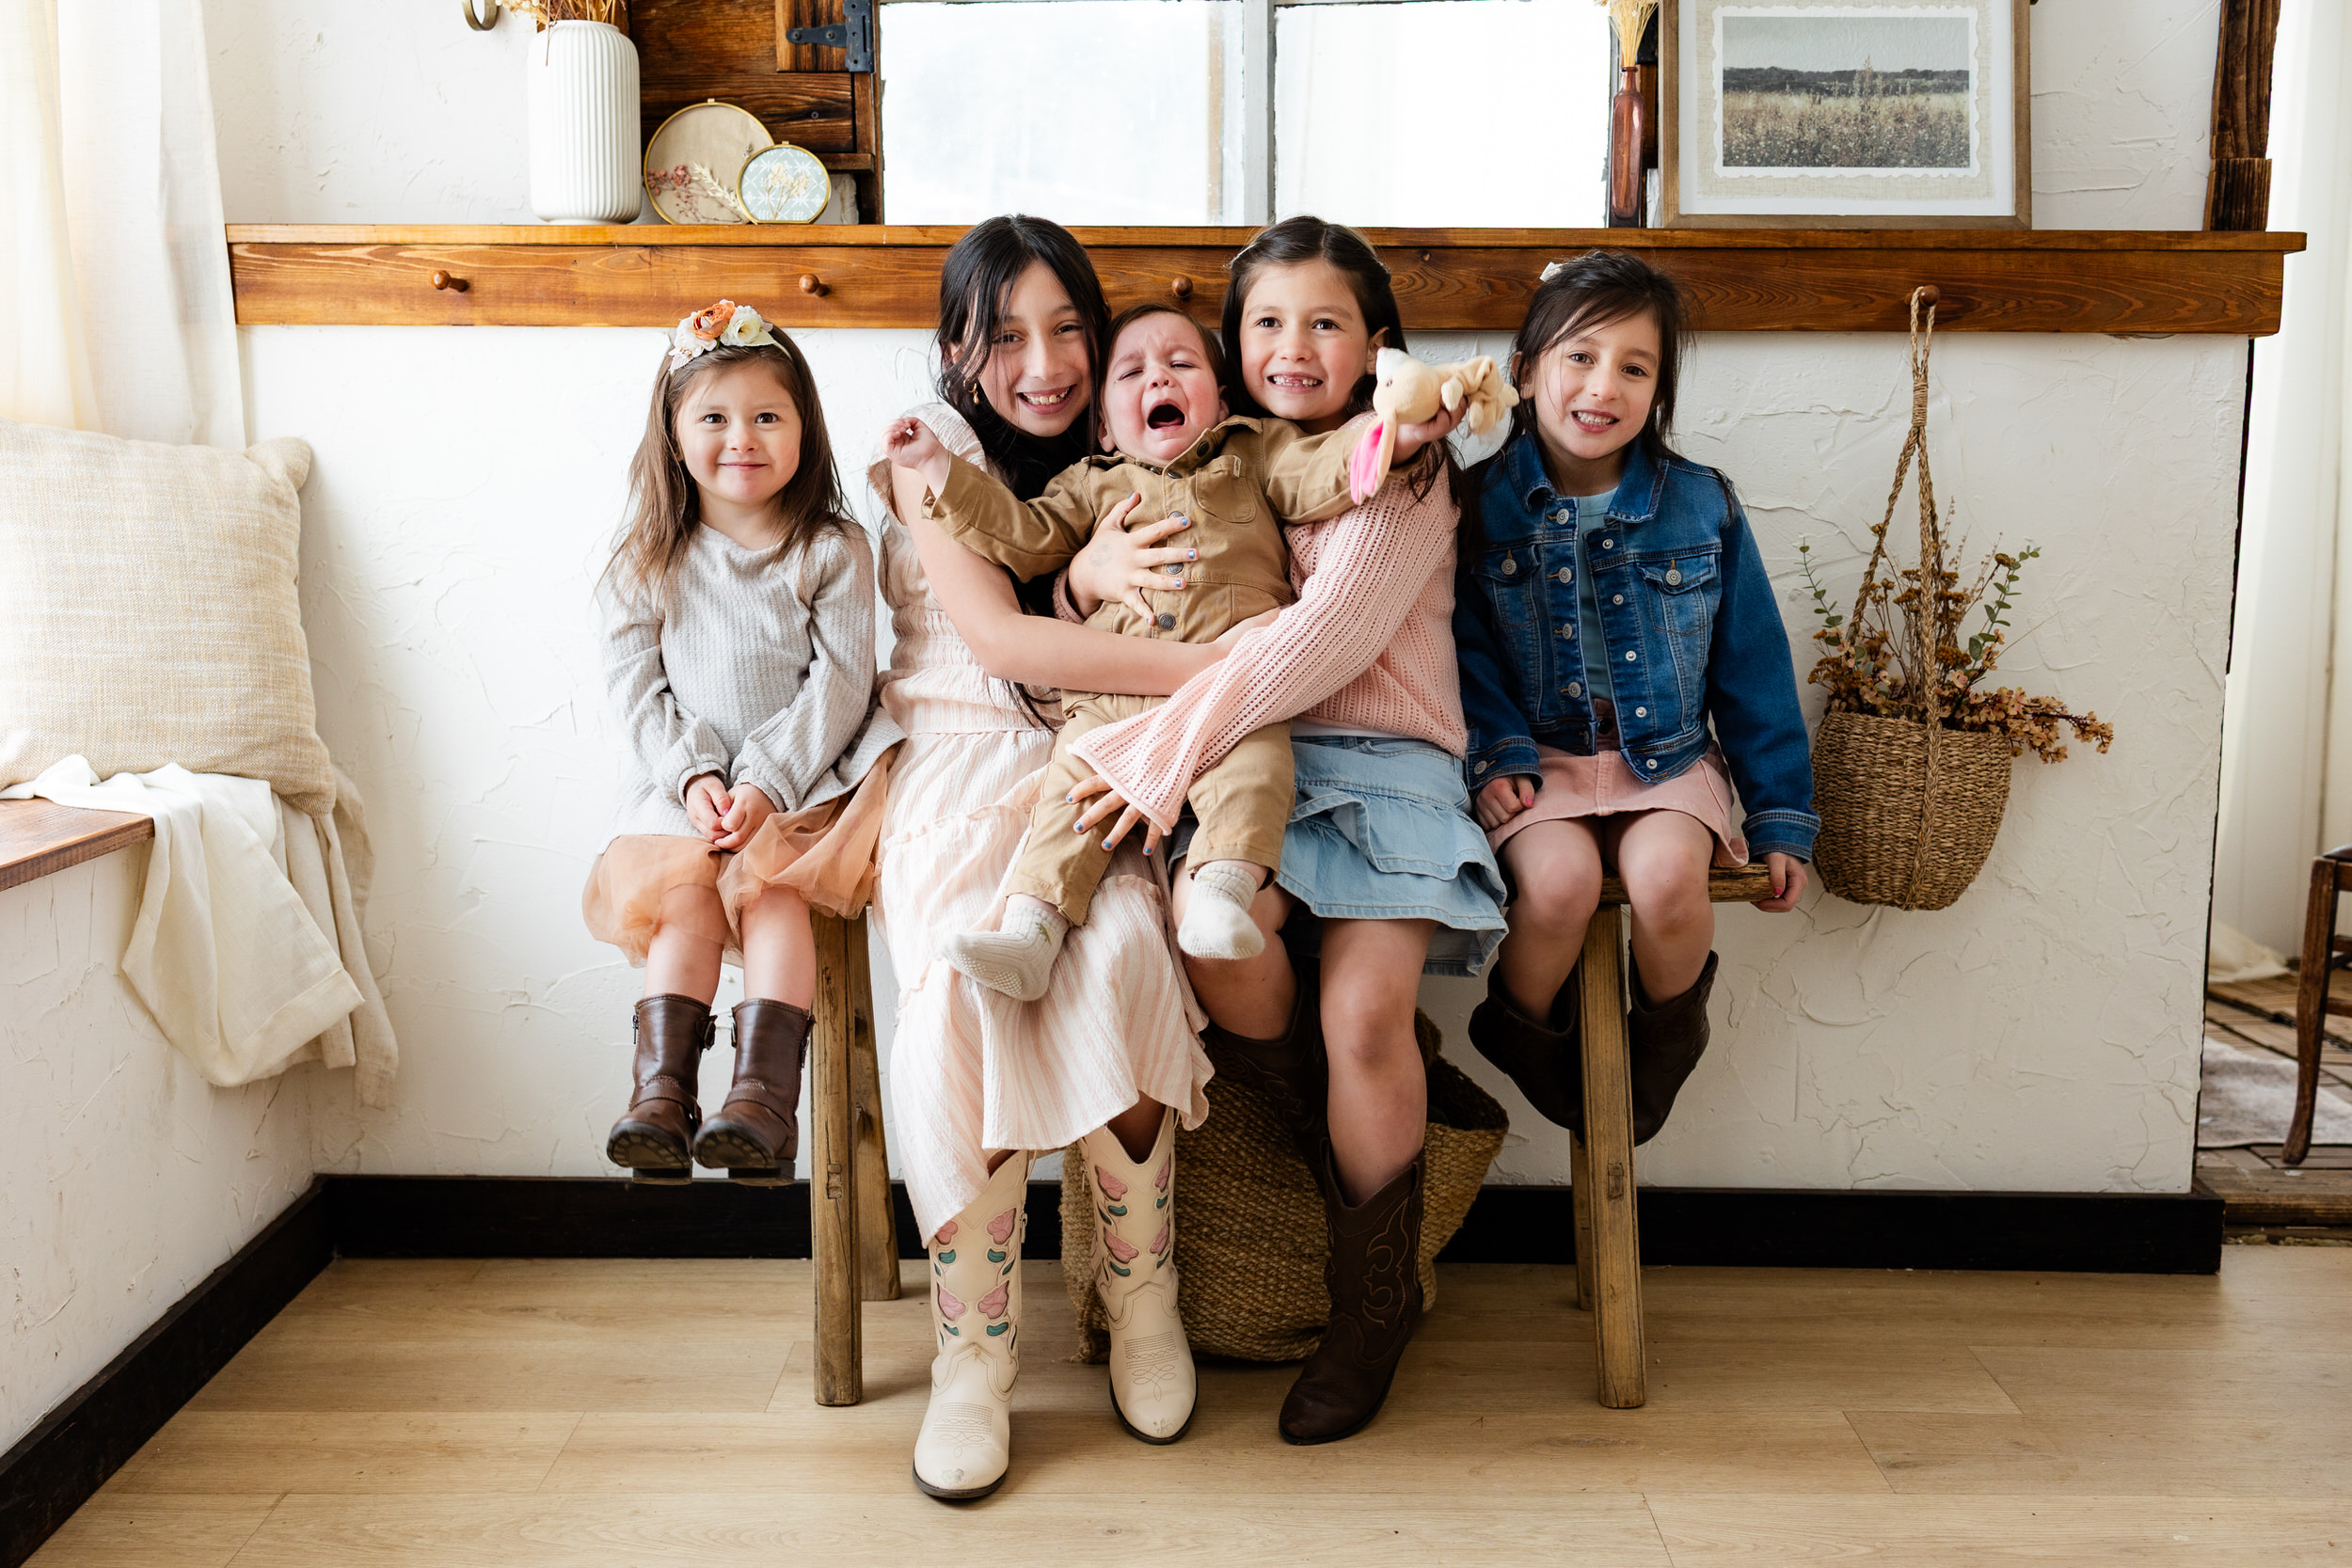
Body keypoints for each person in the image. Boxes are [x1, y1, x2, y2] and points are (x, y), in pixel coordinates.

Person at [1060, 216, 1502, 1444]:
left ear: (1375, 345)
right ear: (1230, 344)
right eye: (1265, 322)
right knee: (1217, 942)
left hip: (1382, 769)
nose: (1293, 346)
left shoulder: (1402, 464)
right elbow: (1140, 598)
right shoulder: (1222, 463)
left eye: (1325, 323)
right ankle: (1340, 1152)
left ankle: (1371, 1310)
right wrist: (1078, 580)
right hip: (1257, 765)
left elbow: (1315, 644)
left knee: (1363, 1012)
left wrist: (1157, 746)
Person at [867, 217, 1248, 1500]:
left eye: (1068, 327)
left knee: (1129, 952)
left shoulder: (1131, 440)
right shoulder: (934, 453)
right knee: (961, 1000)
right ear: (954, 349)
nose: (1045, 360)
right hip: (963, 767)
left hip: (1099, 758)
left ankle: (1145, 1301)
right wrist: (1225, 679)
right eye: (1007, 333)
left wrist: (1105, 595)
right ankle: (973, 1358)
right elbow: (1003, 641)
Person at [885, 304, 1447, 1000]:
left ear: (1218, 398)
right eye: (1132, 372)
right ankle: (1032, 929)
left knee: (1257, 767)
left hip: (1227, 691)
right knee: (1072, 794)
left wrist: (1395, 434)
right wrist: (939, 469)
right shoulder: (1089, 486)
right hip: (1113, 701)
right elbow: (1020, 534)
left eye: (1182, 365)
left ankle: (1220, 890)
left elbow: (1322, 467)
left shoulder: (1256, 452)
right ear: (1101, 425)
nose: (1160, 379)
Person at [1453, 250, 1816, 1147]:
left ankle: (1666, 1040)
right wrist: (1494, 754)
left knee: (1664, 880)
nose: (1602, 385)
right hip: (1541, 762)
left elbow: (1754, 668)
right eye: (1579, 356)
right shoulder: (1474, 506)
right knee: (1561, 885)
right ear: (1526, 369)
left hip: (1669, 758)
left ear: (1660, 391)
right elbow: (1458, 650)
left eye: (1634, 366)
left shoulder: (1702, 507)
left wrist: (1778, 816)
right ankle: (1519, 1023)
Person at [581, 300, 899, 1184]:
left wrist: (762, 782)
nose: (742, 438)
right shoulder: (650, 553)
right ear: (674, 432)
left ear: (804, 426)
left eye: (767, 416)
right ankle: (661, 1096)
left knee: (771, 895)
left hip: (801, 780)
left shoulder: (831, 548)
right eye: (714, 418)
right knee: (685, 899)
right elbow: (635, 689)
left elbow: (837, 685)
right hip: (684, 785)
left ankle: (761, 1104)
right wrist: (695, 779)